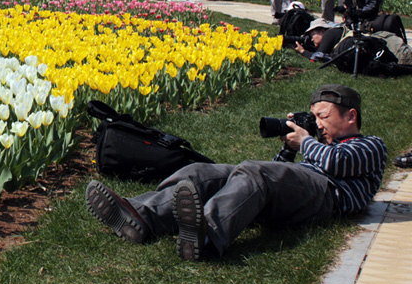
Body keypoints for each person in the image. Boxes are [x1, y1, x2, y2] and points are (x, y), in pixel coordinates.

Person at [86, 84, 386, 261]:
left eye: (324, 116)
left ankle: (205, 238)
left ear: (350, 116)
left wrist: (305, 141)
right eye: (316, 118)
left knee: (255, 172)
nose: (318, 124)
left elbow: (337, 164)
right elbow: (280, 170)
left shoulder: (371, 145)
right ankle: (141, 215)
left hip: (327, 198)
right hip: (303, 190)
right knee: (205, 172)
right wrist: (290, 147)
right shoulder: (317, 145)